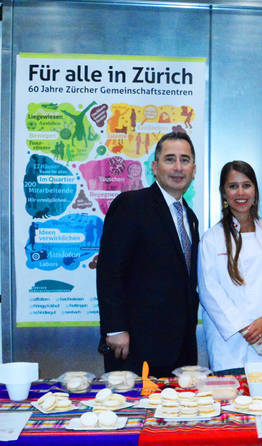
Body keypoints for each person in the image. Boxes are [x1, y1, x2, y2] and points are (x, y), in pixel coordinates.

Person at [96, 132, 199, 376]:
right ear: (154, 167)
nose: (178, 167)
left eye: (184, 160)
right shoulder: (131, 205)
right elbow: (110, 271)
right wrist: (115, 328)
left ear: (193, 170)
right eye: (170, 159)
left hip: (180, 348)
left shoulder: (189, 217)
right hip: (135, 345)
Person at [198, 161, 262, 375]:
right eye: (233, 186)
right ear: (224, 193)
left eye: (246, 185)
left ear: (255, 191)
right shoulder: (211, 239)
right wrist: (246, 328)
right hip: (230, 350)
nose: (240, 193)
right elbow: (209, 292)